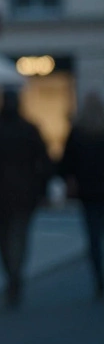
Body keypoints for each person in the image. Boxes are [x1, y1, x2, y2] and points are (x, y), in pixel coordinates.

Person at [0, 88, 53, 308]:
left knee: (5, 237)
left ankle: (12, 273)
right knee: (17, 236)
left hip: (3, 193)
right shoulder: (26, 129)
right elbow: (44, 163)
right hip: (21, 193)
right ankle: (14, 273)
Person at [59, 90, 104, 300]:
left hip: (88, 192)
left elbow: (66, 163)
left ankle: (99, 278)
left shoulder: (78, 132)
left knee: (93, 237)